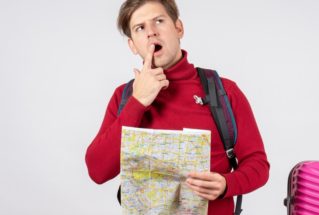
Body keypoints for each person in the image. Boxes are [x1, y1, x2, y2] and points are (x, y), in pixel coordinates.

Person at [85, 0, 270, 214]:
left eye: (159, 21)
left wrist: (227, 184)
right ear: (133, 45)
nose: (151, 33)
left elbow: (258, 165)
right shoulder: (124, 97)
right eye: (140, 28)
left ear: (178, 28)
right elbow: (97, 171)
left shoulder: (224, 92)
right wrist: (138, 102)